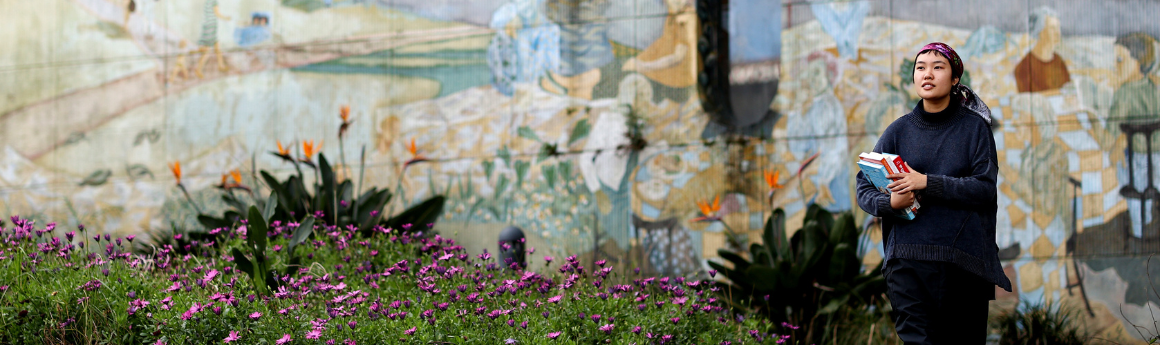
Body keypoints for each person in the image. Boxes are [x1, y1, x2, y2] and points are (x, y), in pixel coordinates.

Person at [855, 43, 1012, 344]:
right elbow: (863, 185)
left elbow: (984, 189)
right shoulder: (897, 131)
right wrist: (889, 202)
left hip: (963, 264)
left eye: (938, 67)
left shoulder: (975, 130)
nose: (927, 73)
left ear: (955, 79)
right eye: (921, 67)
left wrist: (925, 182)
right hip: (908, 263)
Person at [1013, 7, 1071, 93]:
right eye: (1052, 28)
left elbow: (1068, 92)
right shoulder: (1023, 67)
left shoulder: (1059, 61)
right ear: (1040, 32)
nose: (1058, 33)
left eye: (1058, 28)